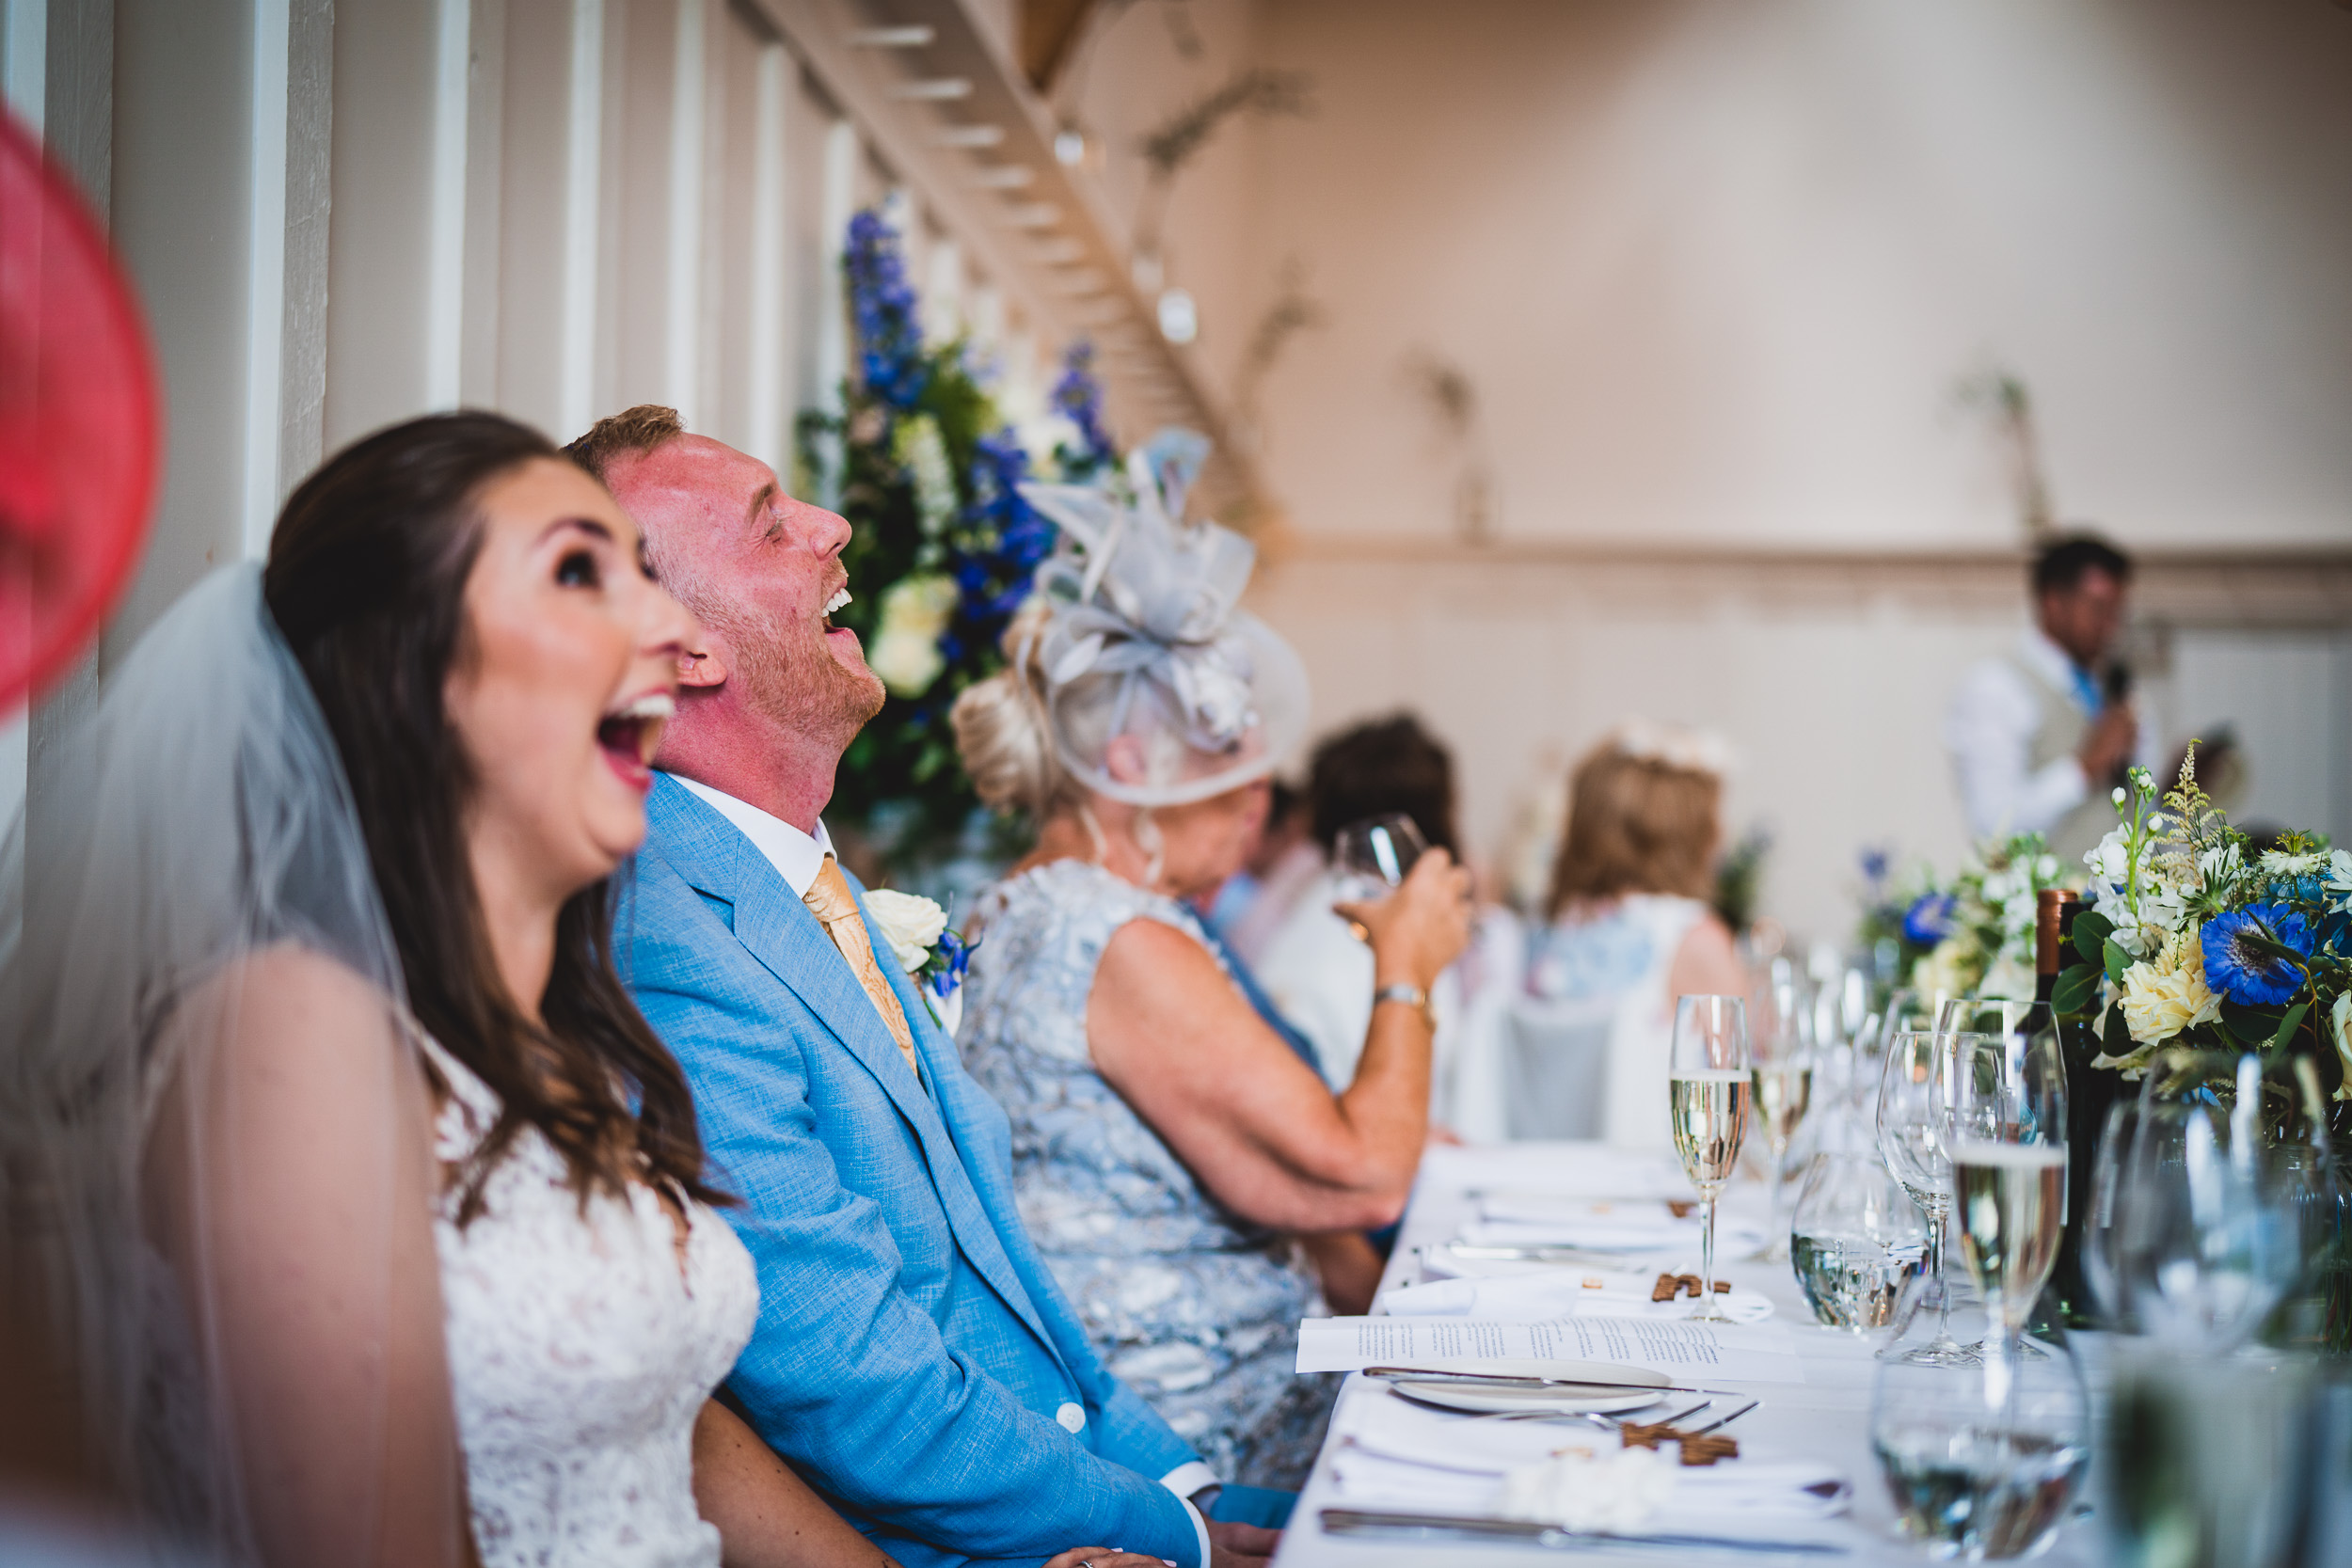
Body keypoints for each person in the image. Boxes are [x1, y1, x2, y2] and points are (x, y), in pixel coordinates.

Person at [572, 409, 1256, 1568]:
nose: (830, 525)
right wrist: (1180, 1536)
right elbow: (850, 1385)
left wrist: (1189, 1487)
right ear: (683, 646)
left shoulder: (804, 875)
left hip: (1100, 1483)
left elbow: (1019, 1293)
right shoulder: (665, 931)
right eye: (770, 522)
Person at [949, 451, 1471, 1489]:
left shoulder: (1028, 903)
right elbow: (1361, 1168)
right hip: (1204, 1431)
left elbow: (1269, 1178)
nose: (1254, 811)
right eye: (1227, 781)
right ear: (1130, 775)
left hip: (1199, 1387)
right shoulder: (1114, 938)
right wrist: (1406, 964)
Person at [1516, 722, 1749, 1148]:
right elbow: (1739, 1111)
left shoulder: (1549, 928)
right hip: (1653, 1193)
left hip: (1537, 1180)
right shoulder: (1692, 939)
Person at [1946, 532, 2153, 864]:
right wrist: (2082, 769)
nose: (2111, 626)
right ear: (2053, 602)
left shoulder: (2115, 685)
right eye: (2098, 608)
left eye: (2118, 611)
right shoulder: (1997, 686)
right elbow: (1991, 829)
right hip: (2044, 909)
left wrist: (2172, 793)